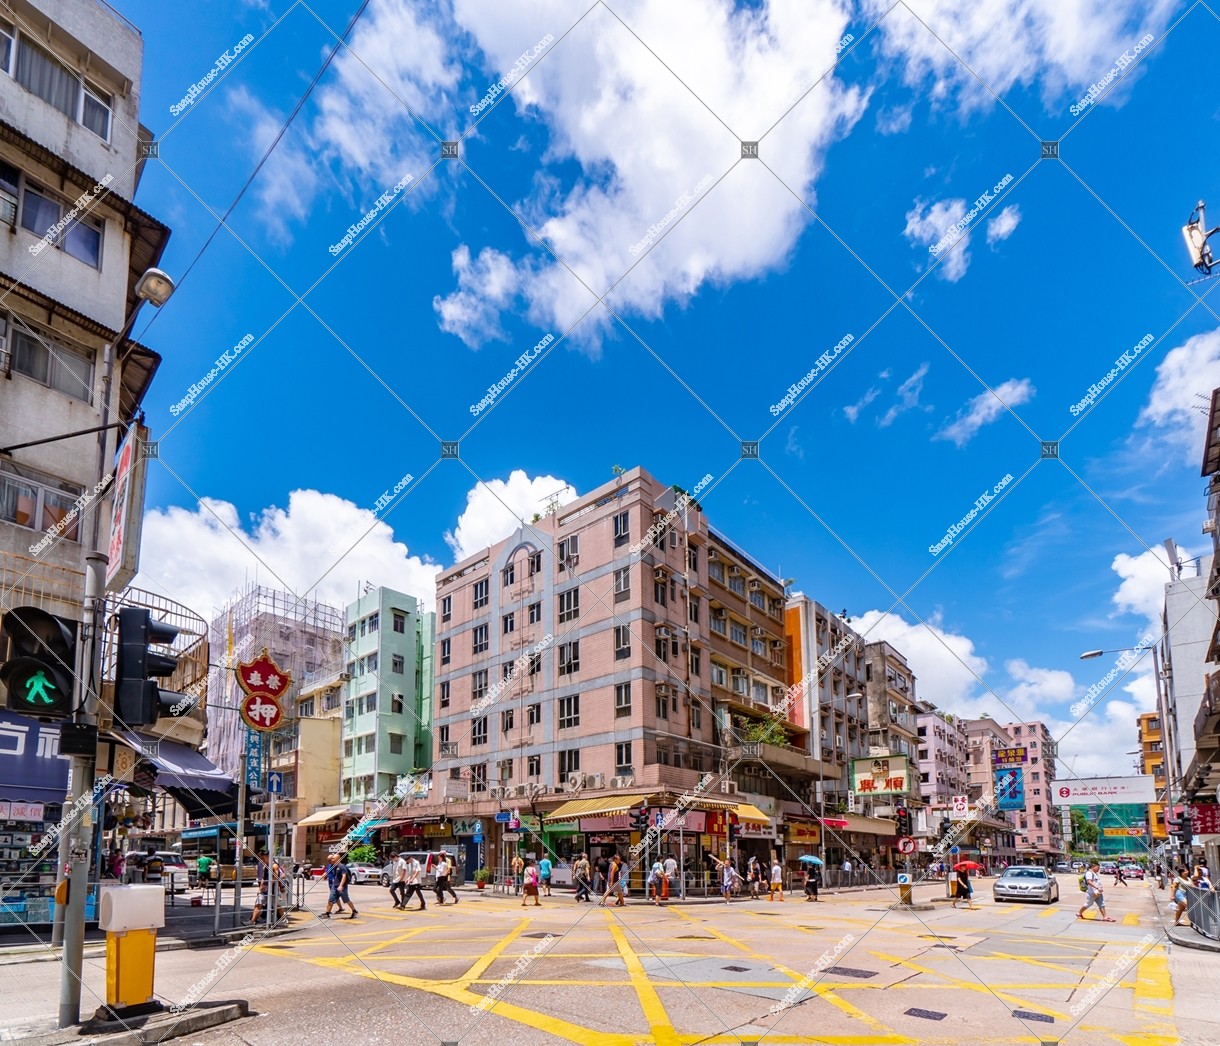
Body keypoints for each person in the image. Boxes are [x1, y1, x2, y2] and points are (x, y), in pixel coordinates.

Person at [322, 853, 357, 919]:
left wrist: (341, 885)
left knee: (346, 900)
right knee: (330, 900)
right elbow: (328, 871)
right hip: (334, 886)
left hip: (342, 887)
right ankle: (327, 913)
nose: (332, 860)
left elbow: (344, 876)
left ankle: (354, 911)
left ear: (338, 859)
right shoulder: (334, 866)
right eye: (332, 858)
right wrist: (323, 876)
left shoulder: (342, 867)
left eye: (333, 858)